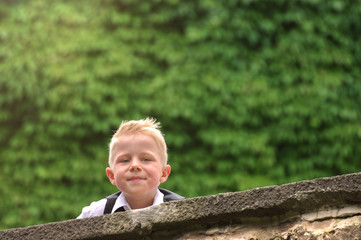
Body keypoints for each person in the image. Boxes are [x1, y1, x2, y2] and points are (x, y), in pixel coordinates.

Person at [77, 118, 184, 218]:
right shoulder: (97, 212)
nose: (134, 166)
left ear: (164, 173)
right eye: (125, 160)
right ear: (112, 175)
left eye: (146, 159)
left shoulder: (182, 209)